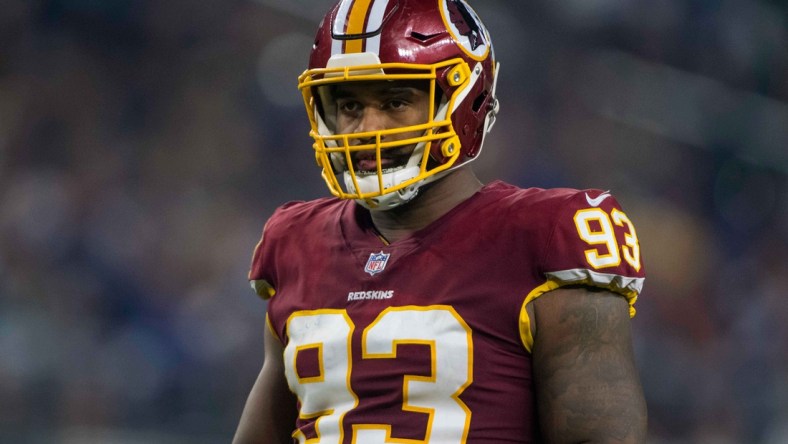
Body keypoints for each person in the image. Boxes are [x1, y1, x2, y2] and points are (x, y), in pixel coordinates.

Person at [234, 0, 647, 442]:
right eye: (350, 105)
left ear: (465, 101)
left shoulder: (547, 233)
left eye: (395, 101)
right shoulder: (295, 241)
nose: (366, 128)